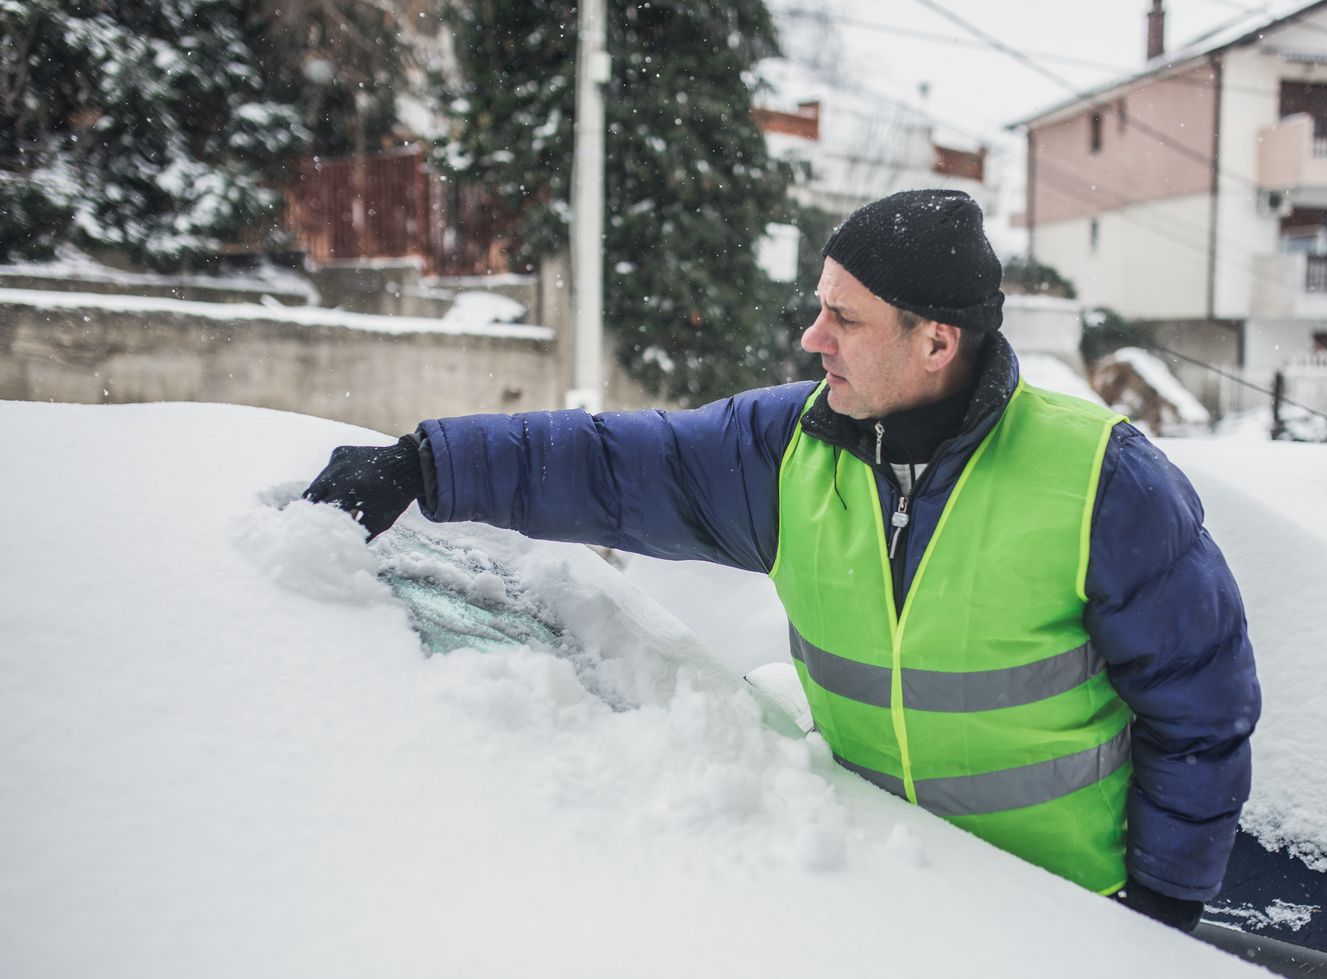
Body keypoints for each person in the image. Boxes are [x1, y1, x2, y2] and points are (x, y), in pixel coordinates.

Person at [304, 189, 1260, 933]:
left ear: (937, 340)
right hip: (881, 894)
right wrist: (427, 463)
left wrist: (1163, 912)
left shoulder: (1102, 479)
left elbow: (1202, 714)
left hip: (1067, 919)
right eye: (819, 309)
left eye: (844, 318)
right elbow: (615, 464)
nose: (813, 338)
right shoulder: (791, 447)